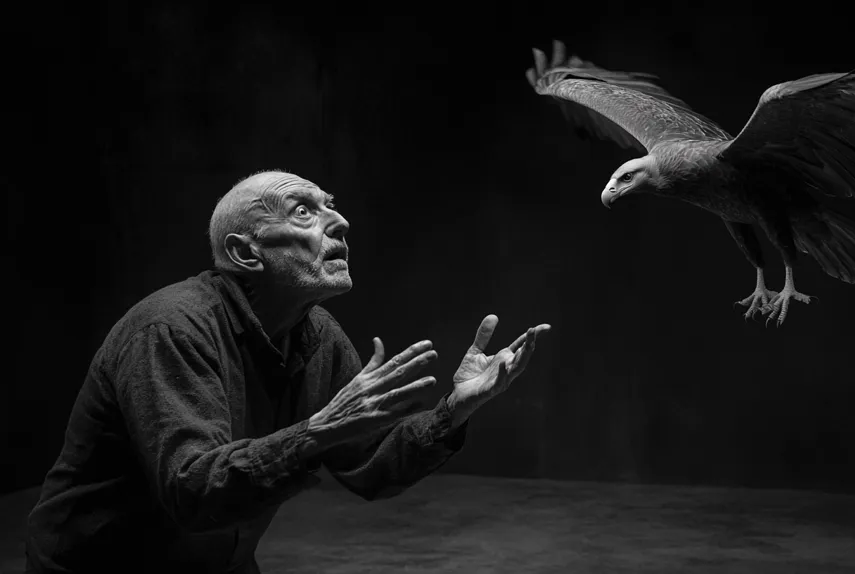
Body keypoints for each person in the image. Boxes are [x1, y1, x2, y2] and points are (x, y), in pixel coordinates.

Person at [23, 170, 551, 574]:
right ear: (244, 253)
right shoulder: (171, 329)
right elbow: (194, 490)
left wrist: (455, 410)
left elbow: (376, 467)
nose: (339, 222)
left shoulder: (315, 333)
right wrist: (320, 430)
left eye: (332, 208)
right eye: (303, 211)